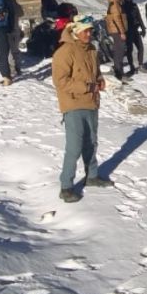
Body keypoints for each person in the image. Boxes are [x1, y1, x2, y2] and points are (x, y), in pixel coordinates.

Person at [52, 18, 112, 202]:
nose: (89, 34)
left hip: (91, 102)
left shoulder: (92, 50)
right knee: (74, 146)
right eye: (85, 31)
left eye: (90, 30)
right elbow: (60, 81)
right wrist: (86, 86)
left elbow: (95, 72)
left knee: (91, 142)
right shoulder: (64, 52)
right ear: (76, 31)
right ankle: (66, 186)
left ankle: (92, 176)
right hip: (73, 104)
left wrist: (99, 80)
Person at [104, 0, 129, 82]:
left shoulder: (115, 1)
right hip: (117, 31)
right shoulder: (115, 3)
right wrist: (122, 32)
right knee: (120, 51)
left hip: (115, 30)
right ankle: (120, 74)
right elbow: (117, 18)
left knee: (119, 50)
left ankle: (118, 71)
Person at [123, 0, 147, 75]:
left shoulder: (134, 5)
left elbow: (139, 17)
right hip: (127, 31)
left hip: (135, 29)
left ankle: (141, 65)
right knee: (130, 50)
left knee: (140, 47)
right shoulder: (122, 7)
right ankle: (132, 67)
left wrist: (143, 28)